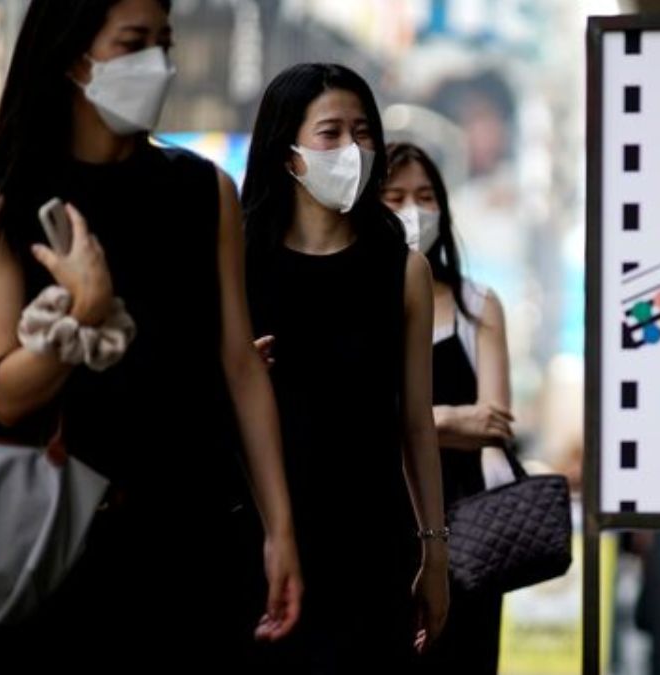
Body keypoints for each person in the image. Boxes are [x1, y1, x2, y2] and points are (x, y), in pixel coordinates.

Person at [0, 0, 301, 672]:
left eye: (164, 41)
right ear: (72, 58)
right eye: (133, 42)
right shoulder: (2, 202)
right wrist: (84, 314)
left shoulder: (204, 190)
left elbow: (240, 367)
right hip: (58, 547)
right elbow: (2, 395)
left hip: (193, 539)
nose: (158, 63)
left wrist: (280, 527)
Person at [243, 65, 449, 672]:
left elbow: (416, 423)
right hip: (256, 538)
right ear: (288, 152)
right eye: (330, 133)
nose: (352, 149)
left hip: (371, 544)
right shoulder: (238, 262)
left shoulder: (403, 270)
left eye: (362, 132)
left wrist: (434, 553)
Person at [382, 142, 514, 674]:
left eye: (425, 196)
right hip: (384, 517)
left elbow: (495, 423)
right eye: (394, 197)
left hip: (469, 527)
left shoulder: (476, 305)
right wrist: (455, 418)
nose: (413, 210)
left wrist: (407, 424)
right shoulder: (358, 304)